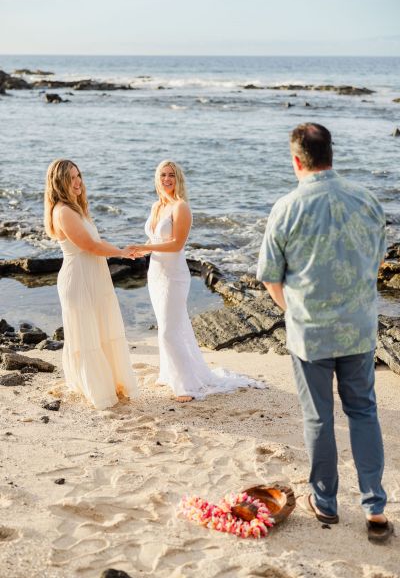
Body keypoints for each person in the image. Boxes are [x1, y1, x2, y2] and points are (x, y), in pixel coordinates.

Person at [257, 123, 393, 543]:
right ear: (330, 153)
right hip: (358, 328)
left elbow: (270, 278)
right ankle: (374, 506)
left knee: (318, 416)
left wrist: (294, 310)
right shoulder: (366, 200)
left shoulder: (287, 207)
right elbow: (376, 261)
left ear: (297, 159)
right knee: (364, 411)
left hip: (310, 332)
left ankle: (327, 503)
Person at [129, 159, 264, 402]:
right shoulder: (155, 207)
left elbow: (177, 244)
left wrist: (144, 246)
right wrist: (143, 251)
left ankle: (185, 386)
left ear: (178, 179)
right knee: (166, 326)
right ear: (157, 179)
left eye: (171, 175)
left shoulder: (181, 207)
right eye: (162, 175)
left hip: (174, 275)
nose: (167, 179)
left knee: (170, 330)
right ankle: (169, 375)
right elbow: (156, 242)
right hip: (155, 273)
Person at [44, 159, 138, 410]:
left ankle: (109, 383)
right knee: (87, 336)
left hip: (92, 275)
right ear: (59, 183)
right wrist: (121, 252)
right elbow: (91, 246)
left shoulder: (76, 209)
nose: (78, 182)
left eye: (79, 176)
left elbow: (94, 241)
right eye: (71, 178)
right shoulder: (63, 211)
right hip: (78, 278)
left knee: (100, 330)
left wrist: (119, 249)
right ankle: (96, 389)